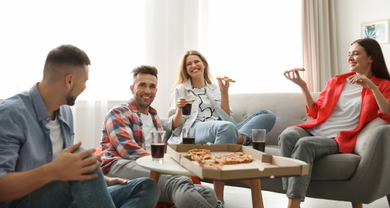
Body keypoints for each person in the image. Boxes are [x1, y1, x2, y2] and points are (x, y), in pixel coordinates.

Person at [0, 45, 159, 208]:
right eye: (85, 81)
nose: (85, 87)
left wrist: (106, 181)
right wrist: (53, 170)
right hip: (23, 202)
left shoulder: (65, 113)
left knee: (146, 186)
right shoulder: (11, 114)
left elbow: (71, 168)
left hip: (64, 198)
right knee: (82, 154)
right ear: (69, 81)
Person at [280, 38, 390, 208]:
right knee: (287, 135)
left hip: (336, 138)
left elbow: (387, 113)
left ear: (371, 58)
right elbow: (315, 111)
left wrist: (372, 87)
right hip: (315, 130)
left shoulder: (383, 85)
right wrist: (303, 87)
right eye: (349, 54)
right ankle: (290, 194)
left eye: (356, 53)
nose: (350, 58)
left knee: (304, 145)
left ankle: (292, 205)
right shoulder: (336, 81)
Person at [166, 50, 276, 207]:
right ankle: (218, 198)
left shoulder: (214, 88)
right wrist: (178, 109)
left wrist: (224, 92)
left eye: (196, 61)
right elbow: (175, 125)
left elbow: (225, 115)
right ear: (185, 69)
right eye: (188, 64)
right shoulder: (181, 89)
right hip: (194, 128)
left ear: (204, 64)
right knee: (226, 127)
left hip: (223, 125)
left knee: (267, 115)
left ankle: (239, 137)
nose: (193, 65)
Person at [100, 65, 218, 208]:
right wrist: (165, 167)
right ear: (132, 88)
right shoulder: (118, 112)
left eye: (152, 86)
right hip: (120, 165)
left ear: (156, 91)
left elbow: (166, 139)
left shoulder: (154, 116)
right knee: (179, 182)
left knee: (207, 193)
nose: (147, 91)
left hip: (151, 166)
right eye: (142, 85)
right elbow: (128, 150)